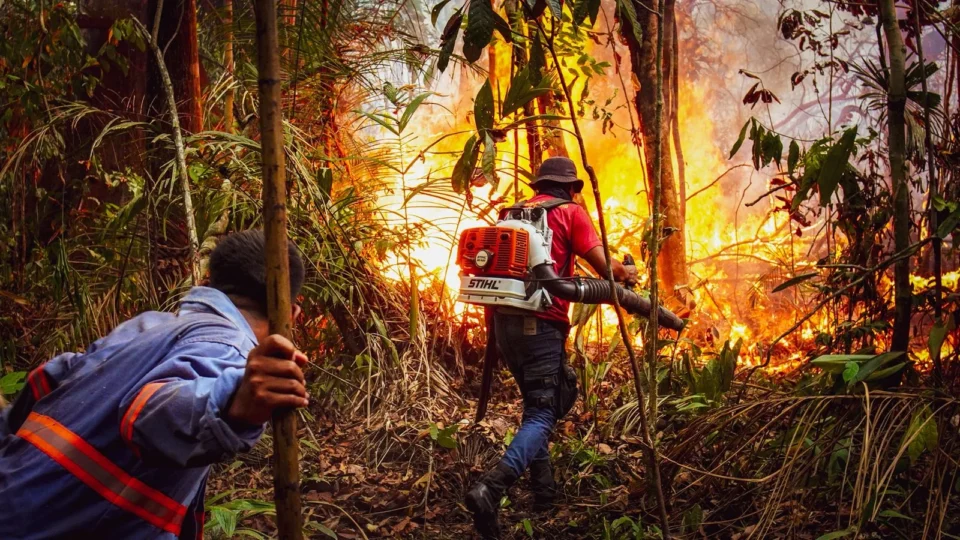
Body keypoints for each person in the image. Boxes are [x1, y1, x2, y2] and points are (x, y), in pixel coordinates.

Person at [0, 230, 310, 539]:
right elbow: (151, 411)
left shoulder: (149, 324)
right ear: (291, 313)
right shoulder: (230, 347)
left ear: (209, 282)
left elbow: (54, 375)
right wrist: (231, 400)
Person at [465, 157, 637, 538]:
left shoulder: (512, 212)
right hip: (541, 326)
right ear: (572, 188)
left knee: (534, 406)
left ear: (539, 185)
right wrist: (626, 272)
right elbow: (606, 270)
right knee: (544, 412)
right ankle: (490, 488)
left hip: (504, 325)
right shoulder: (571, 213)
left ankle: (544, 493)